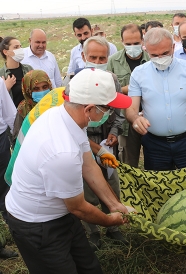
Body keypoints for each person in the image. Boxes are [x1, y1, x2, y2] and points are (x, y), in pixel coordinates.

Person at [5, 69, 131, 274]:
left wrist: (114, 204)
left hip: (61, 214)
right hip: (36, 225)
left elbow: (88, 164)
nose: (110, 114)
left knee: (89, 267)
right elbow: (78, 207)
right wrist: (109, 220)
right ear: (89, 109)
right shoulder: (61, 152)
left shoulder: (66, 115)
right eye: (108, 109)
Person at [126, 27, 186, 171]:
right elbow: (131, 109)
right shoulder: (139, 74)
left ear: (173, 47)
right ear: (146, 50)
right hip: (155, 146)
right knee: (160, 189)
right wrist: (135, 119)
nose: (160, 58)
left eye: (165, 53)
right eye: (154, 55)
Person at [78, 37, 127, 250]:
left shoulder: (112, 80)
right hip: (83, 143)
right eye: (93, 57)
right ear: (83, 57)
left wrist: (115, 132)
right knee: (88, 189)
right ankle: (93, 232)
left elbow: (119, 111)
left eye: (102, 58)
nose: (97, 61)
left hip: (107, 141)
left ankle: (114, 228)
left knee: (111, 183)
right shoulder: (74, 81)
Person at [107, 24, 149, 167]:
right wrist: (128, 89)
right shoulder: (113, 61)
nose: (132, 47)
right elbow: (108, 91)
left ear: (142, 40)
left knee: (153, 161)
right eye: (128, 44)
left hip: (150, 118)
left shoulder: (151, 58)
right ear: (122, 42)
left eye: (136, 43)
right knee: (128, 163)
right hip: (125, 121)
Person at [0, 78, 18, 260]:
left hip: (0, 144)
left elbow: (10, 115)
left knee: (5, 191)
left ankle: (17, 235)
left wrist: (21, 145)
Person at [12, 70, 52, 140]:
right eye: (36, 89)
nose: (41, 92)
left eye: (45, 87)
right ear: (28, 90)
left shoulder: (57, 103)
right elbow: (18, 137)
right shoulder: (23, 109)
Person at [0, 37, 33, 107]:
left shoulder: (28, 69)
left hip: (29, 114)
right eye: (16, 47)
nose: (20, 49)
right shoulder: (1, 75)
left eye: (20, 46)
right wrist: (4, 89)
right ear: (5, 52)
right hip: (11, 116)